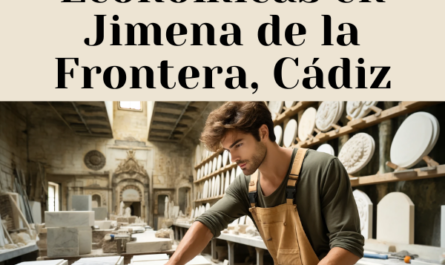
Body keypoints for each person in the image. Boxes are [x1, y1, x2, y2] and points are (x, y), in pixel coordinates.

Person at [166, 102, 364, 265]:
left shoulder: (322, 168)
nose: (233, 158)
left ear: (262, 132)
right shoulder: (245, 186)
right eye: (228, 150)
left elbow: (348, 244)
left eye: (238, 145)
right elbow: (208, 223)